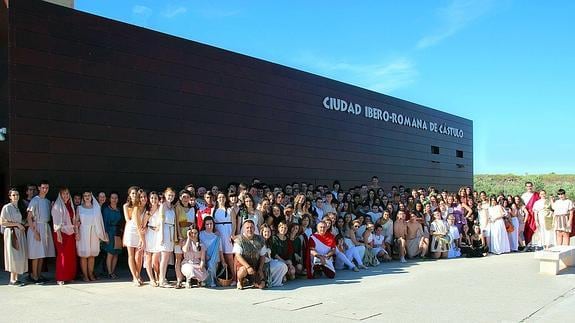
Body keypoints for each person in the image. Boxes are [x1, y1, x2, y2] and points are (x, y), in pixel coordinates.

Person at [26, 180, 55, 284]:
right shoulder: (35, 200)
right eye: (43, 187)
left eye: (47, 188)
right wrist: (35, 232)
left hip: (45, 227)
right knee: (36, 254)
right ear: (39, 188)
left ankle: (38, 275)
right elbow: (29, 218)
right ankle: (34, 276)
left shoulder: (47, 201)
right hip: (37, 227)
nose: (45, 190)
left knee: (43, 253)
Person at [76, 192, 108, 281]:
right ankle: (85, 275)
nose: (87, 197)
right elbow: (76, 221)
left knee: (92, 255)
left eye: (88, 196)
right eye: (85, 196)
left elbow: (100, 221)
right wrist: (77, 233)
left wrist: (101, 234)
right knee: (83, 255)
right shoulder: (79, 208)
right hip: (83, 232)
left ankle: (90, 274)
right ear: (83, 197)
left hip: (94, 232)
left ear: (91, 197)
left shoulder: (96, 208)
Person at [1, 189, 28, 286]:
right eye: (13, 195)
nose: (15, 196)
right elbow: (2, 222)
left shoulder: (18, 207)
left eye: (17, 194)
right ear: (10, 196)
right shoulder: (7, 207)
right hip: (11, 233)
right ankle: (12, 279)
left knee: (19, 256)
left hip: (19, 233)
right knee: (13, 255)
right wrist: (17, 224)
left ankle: (16, 278)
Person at [51, 187, 78, 285]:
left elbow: (73, 219)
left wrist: (76, 232)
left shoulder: (70, 205)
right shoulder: (57, 206)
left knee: (70, 255)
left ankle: (69, 276)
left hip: (70, 232)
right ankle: (60, 277)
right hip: (61, 233)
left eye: (67, 193)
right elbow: (56, 222)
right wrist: (58, 235)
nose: (66, 195)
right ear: (60, 195)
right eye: (63, 194)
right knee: (62, 255)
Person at [233, 220, 266, 289]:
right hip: (243, 267)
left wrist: (260, 269)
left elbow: (263, 255)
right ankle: (240, 281)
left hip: (255, 267)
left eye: (251, 227)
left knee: (261, 286)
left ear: (254, 228)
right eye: (247, 228)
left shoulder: (260, 239)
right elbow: (238, 256)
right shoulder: (239, 240)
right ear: (244, 229)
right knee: (243, 271)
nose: (249, 229)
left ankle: (252, 281)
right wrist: (248, 267)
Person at [123, 187, 146, 286]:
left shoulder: (144, 206)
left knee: (139, 255)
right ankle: (134, 277)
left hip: (140, 230)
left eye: (135, 193)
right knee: (131, 255)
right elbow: (128, 220)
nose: (134, 195)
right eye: (132, 193)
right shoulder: (127, 206)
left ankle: (138, 274)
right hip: (131, 230)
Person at [213, 193, 236, 285]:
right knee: (219, 256)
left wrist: (232, 234)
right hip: (219, 234)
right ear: (217, 199)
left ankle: (234, 278)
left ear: (226, 199)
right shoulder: (214, 210)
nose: (221, 199)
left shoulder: (230, 210)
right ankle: (217, 278)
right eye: (219, 197)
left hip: (227, 233)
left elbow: (234, 223)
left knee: (230, 257)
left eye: (223, 197)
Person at [101, 192, 123, 280]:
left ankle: (113, 272)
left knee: (116, 254)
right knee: (110, 253)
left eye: (116, 198)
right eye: (112, 198)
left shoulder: (119, 209)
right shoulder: (106, 210)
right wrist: (105, 236)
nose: (114, 199)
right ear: (109, 199)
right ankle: (109, 273)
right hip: (109, 233)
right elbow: (104, 223)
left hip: (117, 233)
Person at [158, 188, 177, 288]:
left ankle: (163, 278)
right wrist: (161, 236)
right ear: (165, 195)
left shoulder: (172, 207)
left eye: (172, 196)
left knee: (168, 256)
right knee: (164, 257)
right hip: (165, 230)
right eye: (169, 195)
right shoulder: (163, 206)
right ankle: (161, 279)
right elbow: (161, 221)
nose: (170, 197)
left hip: (171, 230)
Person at [199, 216, 226, 287]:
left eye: (211, 224)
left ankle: (212, 281)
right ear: (204, 225)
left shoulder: (216, 236)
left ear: (213, 224)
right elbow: (198, 247)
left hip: (214, 259)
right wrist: (204, 256)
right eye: (207, 224)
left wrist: (223, 261)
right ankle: (206, 280)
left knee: (212, 263)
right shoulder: (200, 234)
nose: (209, 226)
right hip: (203, 257)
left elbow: (220, 250)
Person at [143, 191, 161, 286]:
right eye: (152, 198)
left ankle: (158, 275)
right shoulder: (147, 210)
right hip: (149, 234)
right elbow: (143, 223)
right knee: (148, 258)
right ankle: (151, 278)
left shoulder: (161, 208)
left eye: (155, 198)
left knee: (156, 259)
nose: (154, 200)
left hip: (158, 235)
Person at [521, 182, 540, 251]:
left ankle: (536, 244)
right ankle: (528, 244)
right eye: (528, 186)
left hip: (535, 214)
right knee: (527, 230)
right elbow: (522, 205)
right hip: (527, 215)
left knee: (535, 229)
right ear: (525, 187)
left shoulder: (536, 195)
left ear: (532, 186)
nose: (529, 187)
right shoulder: (523, 195)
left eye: (530, 186)